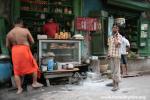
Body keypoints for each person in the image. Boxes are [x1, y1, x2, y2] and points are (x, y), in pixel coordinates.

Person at [6, 18, 43, 94]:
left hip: (14, 51)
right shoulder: (25, 30)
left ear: (14, 23)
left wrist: (13, 50)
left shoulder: (9, 34)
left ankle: (19, 89)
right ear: (21, 23)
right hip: (24, 49)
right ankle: (34, 82)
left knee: (16, 71)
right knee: (33, 66)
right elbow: (32, 41)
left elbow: (7, 46)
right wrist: (28, 46)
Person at [107, 24, 122, 91]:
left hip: (116, 56)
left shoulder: (120, 36)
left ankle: (117, 85)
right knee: (112, 71)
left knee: (116, 71)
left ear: (118, 29)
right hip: (111, 56)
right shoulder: (110, 37)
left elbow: (117, 45)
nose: (114, 29)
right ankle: (113, 83)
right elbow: (109, 47)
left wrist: (115, 36)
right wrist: (108, 55)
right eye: (113, 28)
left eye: (115, 28)